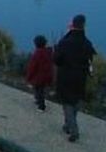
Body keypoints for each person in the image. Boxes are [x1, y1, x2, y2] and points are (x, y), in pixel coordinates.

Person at [54, 14, 97, 142]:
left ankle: (73, 129)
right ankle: (68, 124)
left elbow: (56, 59)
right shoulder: (87, 43)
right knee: (76, 100)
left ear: (72, 25)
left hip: (66, 76)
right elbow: (90, 59)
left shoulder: (65, 42)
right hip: (81, 77)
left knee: (67, 102)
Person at [26, 35, 53, 112]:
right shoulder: (48, 53)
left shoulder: (38, 53)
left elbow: (33, 66)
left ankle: (41, 106)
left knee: (39, 90)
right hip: (46, 75)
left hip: (38, 76)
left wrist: (29, 76)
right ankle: (38, 101)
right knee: (40, 89)